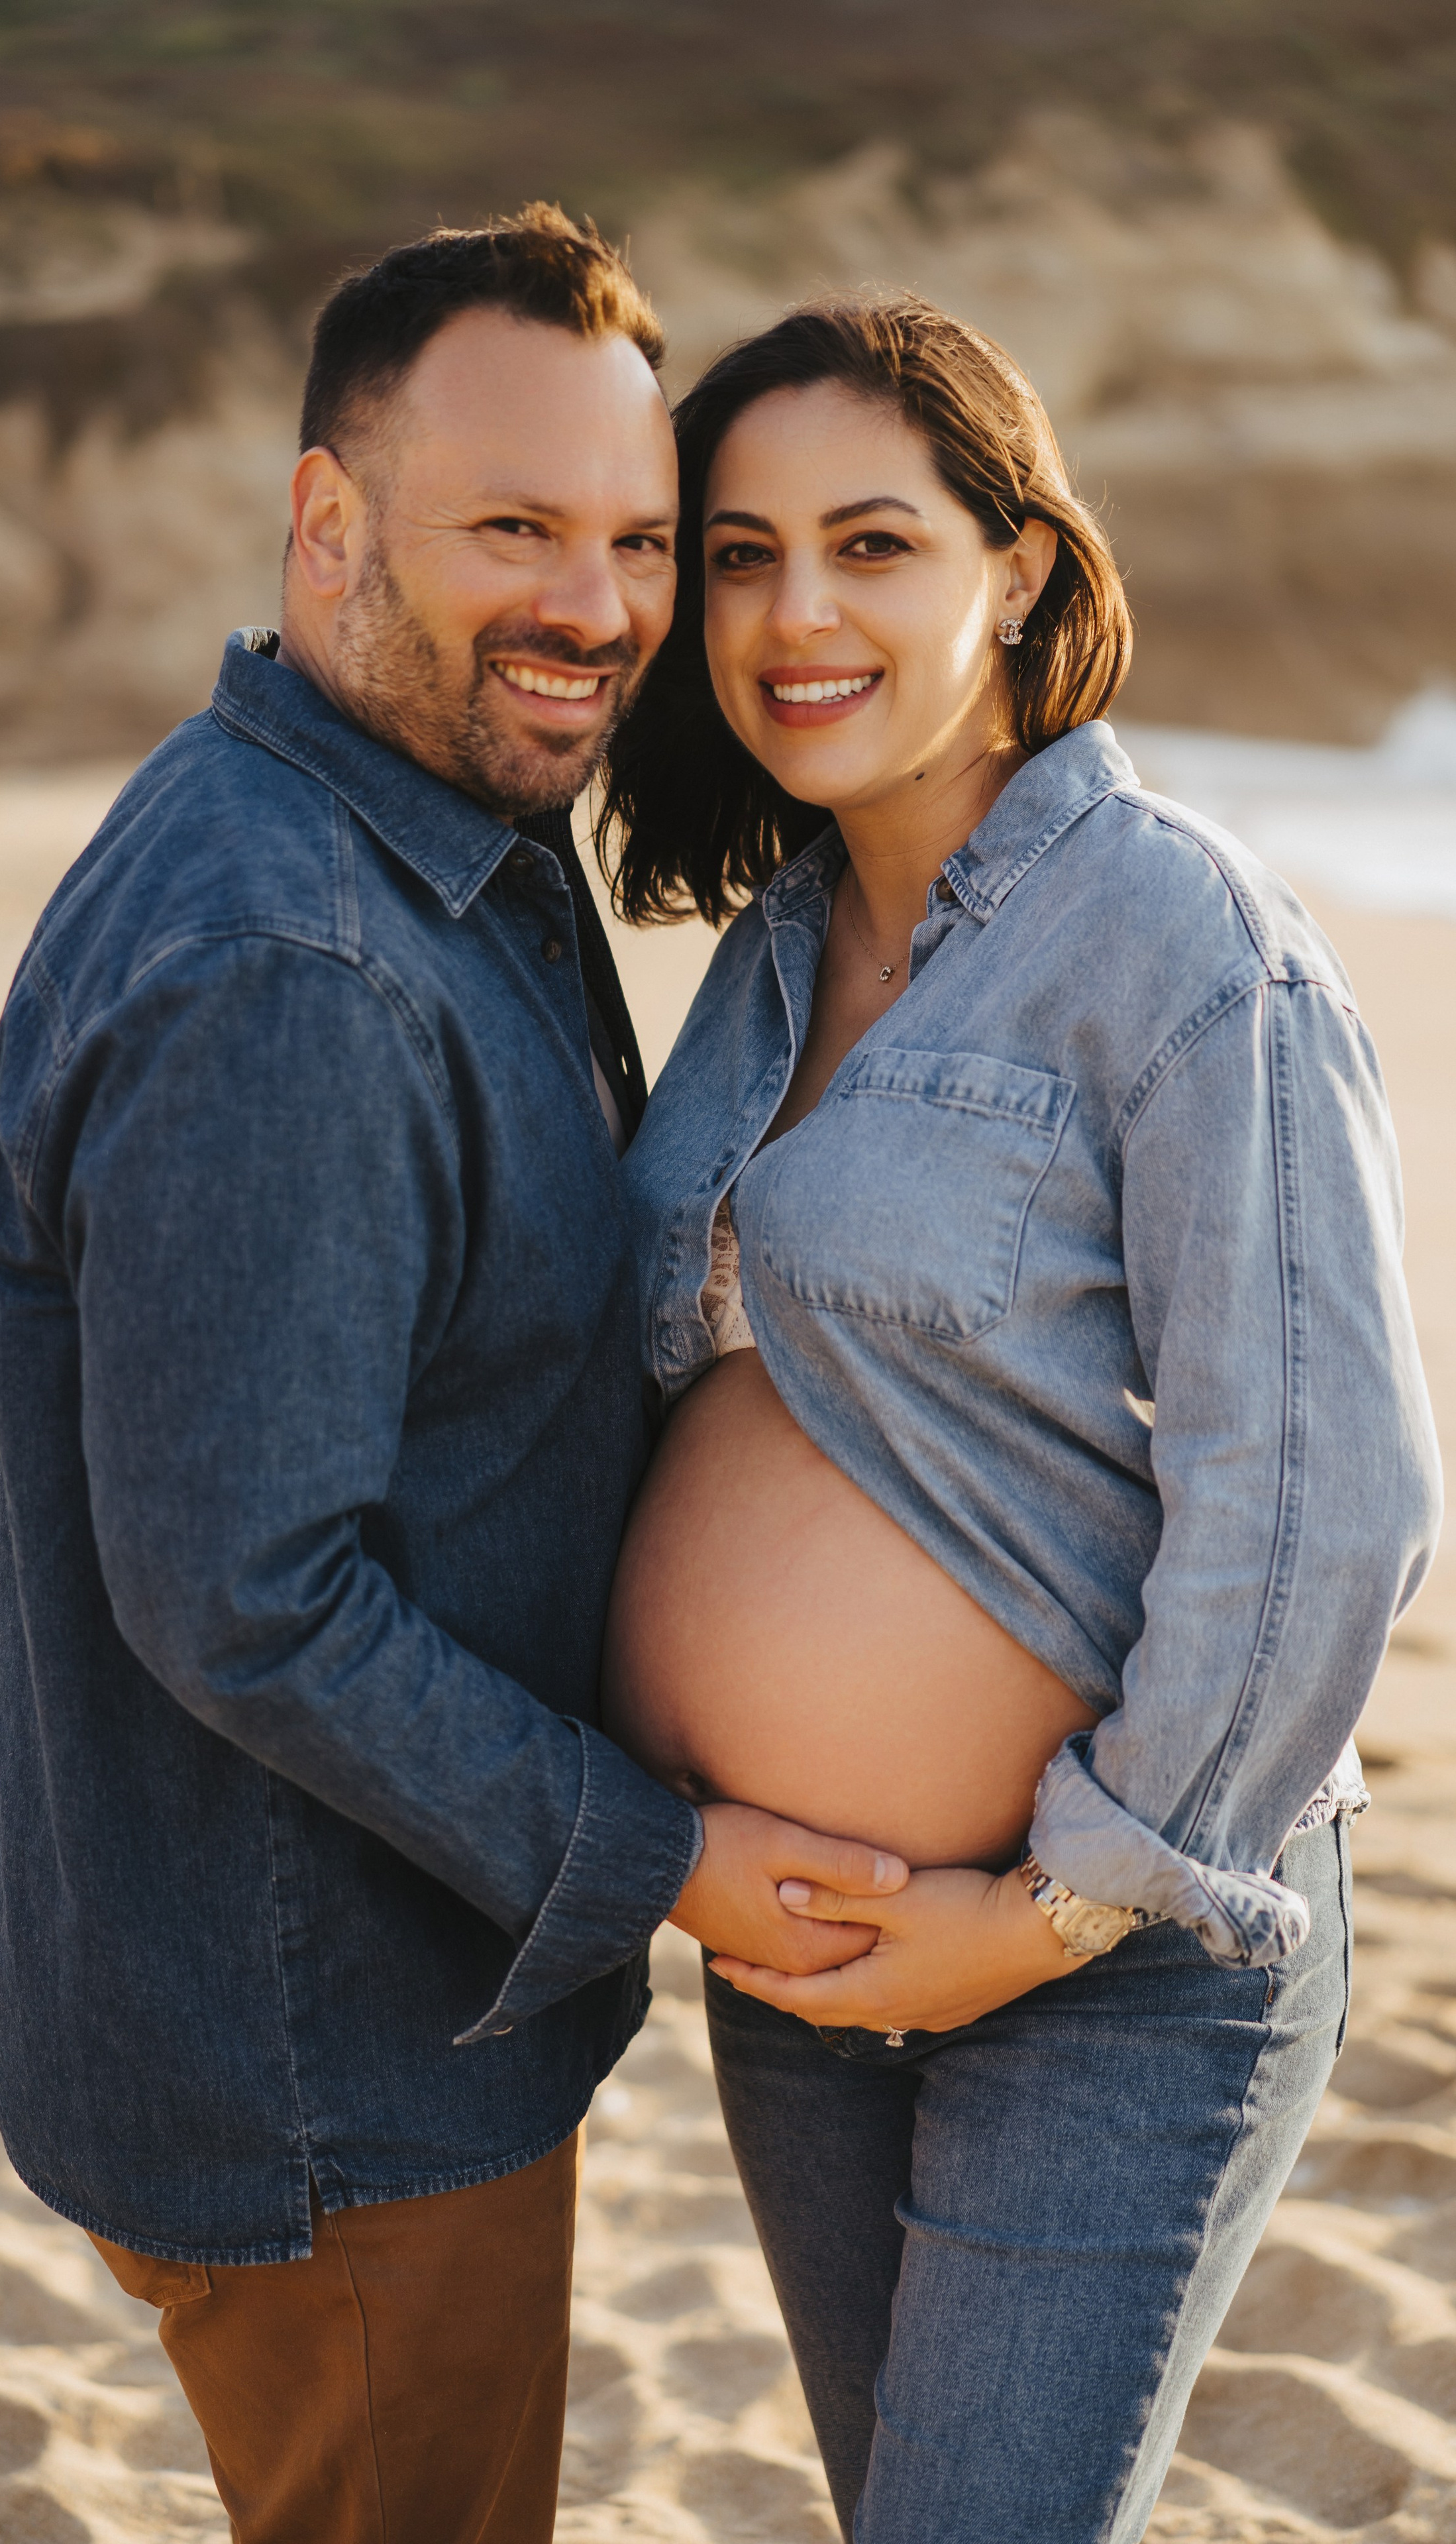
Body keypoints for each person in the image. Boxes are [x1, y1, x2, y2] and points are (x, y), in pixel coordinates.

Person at [0, 208, 897, 2544]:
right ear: (326, 522)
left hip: (331, 1993)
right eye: (511, 530)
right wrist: (662, 1859)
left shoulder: (433, 828)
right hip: (328, 2059)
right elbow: (249, 1592)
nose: (593, 604)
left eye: (633, 540)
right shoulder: (294, 962)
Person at [598, 293, 1443, 2543]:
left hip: (1111, 1950)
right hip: (804, 1963)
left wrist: (1054, 1909)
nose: (796, 616)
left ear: (1025, 571)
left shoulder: (1179, 941)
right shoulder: (773, 949)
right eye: (745, 554)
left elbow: (1329, 1493)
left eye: (874, 546)